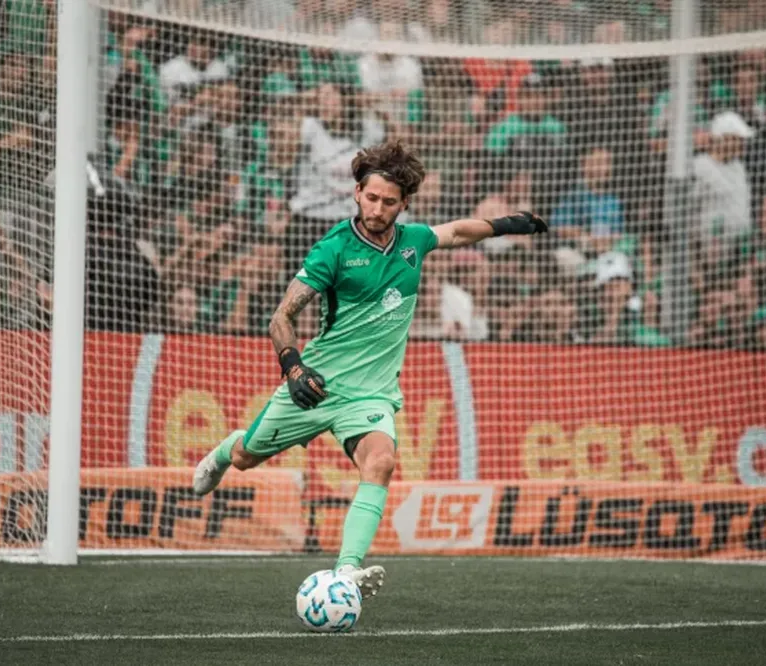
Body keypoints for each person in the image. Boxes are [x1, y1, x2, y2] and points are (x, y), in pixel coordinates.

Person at [191, 140, 546, 598]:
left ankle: (345, 572)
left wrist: (505, 225)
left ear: (404, 204)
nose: (378, 209)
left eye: (389, 202)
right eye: (371, 197)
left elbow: (456, 232)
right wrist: (293, 367)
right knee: (246, 457)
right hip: (316, 384)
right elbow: (282, 316)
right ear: (357, 193)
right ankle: (221, 455)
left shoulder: (413, 242)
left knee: (380, 462)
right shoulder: (333, 249)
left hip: (371, 394)